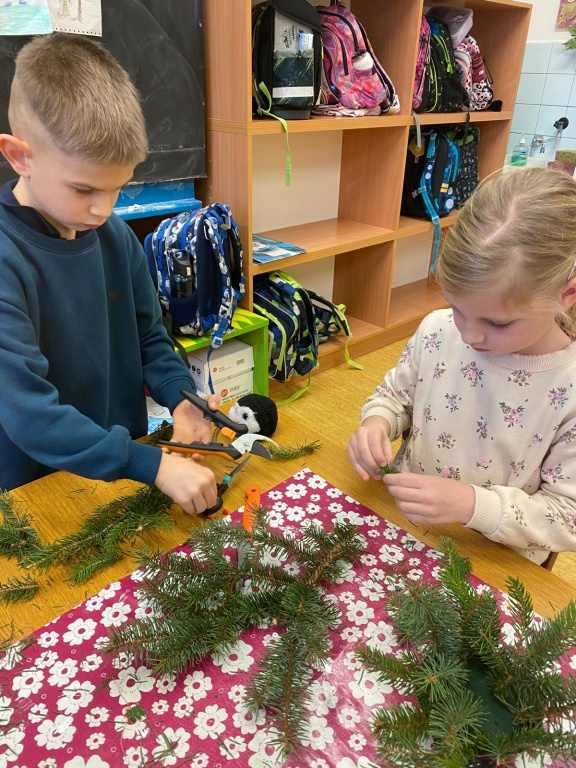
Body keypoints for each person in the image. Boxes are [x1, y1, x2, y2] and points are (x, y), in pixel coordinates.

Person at [0, 33, 218, 515]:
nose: (103, 209)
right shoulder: (7, 259)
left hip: (120, 472)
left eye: (118, 187)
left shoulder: (114, 236)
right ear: (19, 156)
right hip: (33, 489)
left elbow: (150, 338)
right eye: (84, 190)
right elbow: (31, 415)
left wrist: (181, 398)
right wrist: (153, 466)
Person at [348, 166, 576, 564]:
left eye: (498, 323)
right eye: (456, 308)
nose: (470, 335)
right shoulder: (438, 331)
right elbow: (395, 396)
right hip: (404, 529)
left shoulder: (567, 385)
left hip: (493, 563)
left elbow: (567, 517)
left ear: (567, 294)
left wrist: (474, 505)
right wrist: (377, 423)